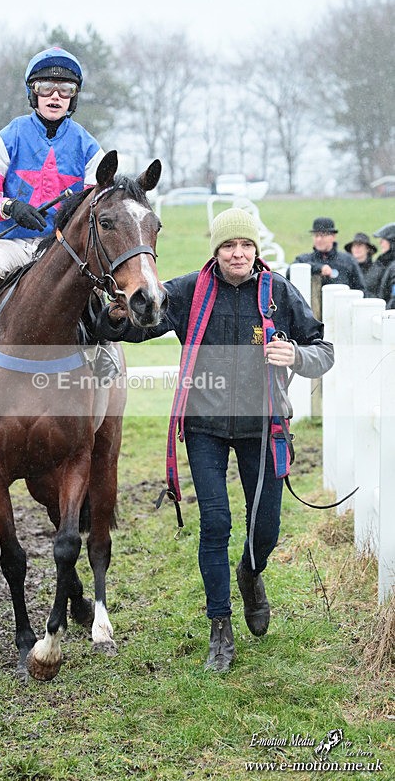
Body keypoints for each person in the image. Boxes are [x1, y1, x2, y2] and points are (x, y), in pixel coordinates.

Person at [96, 207, 334, 673]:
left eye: (245, 245)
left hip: (262, 426)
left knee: (265, 529)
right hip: (204, 426)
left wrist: (296, 355)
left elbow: (323, 351)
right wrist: (114, 316)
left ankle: (251, 572)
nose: (237, 253)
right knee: (215, 523)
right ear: (216, 251)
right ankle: (220, 629)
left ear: (255, 250)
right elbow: (137, 326)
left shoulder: (278, 293)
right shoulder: (188, 291)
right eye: (228, 245)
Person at [0, 46, 110, 380]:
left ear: (74, 98)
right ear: (33, 93)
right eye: (45, 87)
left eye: (65, 89)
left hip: (64, 247)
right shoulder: (7, 137)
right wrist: (9, 207)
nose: (55, 96)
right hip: (13, 243)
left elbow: (98, 201)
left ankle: (101, 349)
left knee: (94, 285)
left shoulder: (89, 146)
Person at [287, 217, 365, 292]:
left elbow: (360, 289)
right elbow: (290, 272)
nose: (318, 239)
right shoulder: (303, 260)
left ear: (333, 237)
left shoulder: (347, 261)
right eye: (316, 235)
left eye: (323, 235)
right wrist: (317, 268)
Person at [343, 232, 377, 297]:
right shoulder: (347, 269)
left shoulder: (377, 269)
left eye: (360, 245)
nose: (356, 248)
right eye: (354, 246)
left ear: (367, 249)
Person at [370, 222, 395, 305]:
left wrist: (384, 311)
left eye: (383, 240)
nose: (380, 243)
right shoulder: (382, 262)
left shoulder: (392, 266)